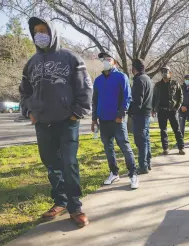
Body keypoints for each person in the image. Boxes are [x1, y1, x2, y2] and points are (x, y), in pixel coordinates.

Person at [19, 17, 92, 227]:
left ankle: (75, 207)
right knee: (51, 164)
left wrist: (76, 113)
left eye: (44, 30)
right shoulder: (31, 63)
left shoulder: (70, 58)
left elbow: (85, 89)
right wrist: (29, 112)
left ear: (53, 32)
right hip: (42, 123)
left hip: (67, 122)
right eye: (36, 31)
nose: (40, 34)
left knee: (69, 164)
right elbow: (24, 92)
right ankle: (60, 201)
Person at [92, 52, 138, 189]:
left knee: (125, 147)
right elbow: (95, 100)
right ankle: (114, 172)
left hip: (117, 120)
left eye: (108, 59)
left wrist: (121, 114)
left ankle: (133, 174)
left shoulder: (121, 77)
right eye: (103, 60)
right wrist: (94, 118)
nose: (105, 61)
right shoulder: (98, 80)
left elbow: (127, 98)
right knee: (108, 148)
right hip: (103, 120)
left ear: (114, 63)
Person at [152, 65, 185, 155]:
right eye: (163, 71)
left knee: (177, 130)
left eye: (166, 71)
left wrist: (177, 108)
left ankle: (181, 147)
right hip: (161, 110)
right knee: (163, 130)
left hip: (172, 111)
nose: (165, 73)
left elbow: (180, 96)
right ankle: (165, 148)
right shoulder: (157, 85)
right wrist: (153, 109)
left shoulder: (175, 83)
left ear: (170, 73)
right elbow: (154, 97)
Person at [129, 59, 153, 175]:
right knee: (146, 139)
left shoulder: (139, 80)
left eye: (132, 67)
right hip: (146, 113)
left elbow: (138, 101)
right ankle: (148, 163)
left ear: (135, 68)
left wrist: (131, 111)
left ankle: (143, 166)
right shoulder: (147, 79)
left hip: (140, 114)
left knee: (141, 140)